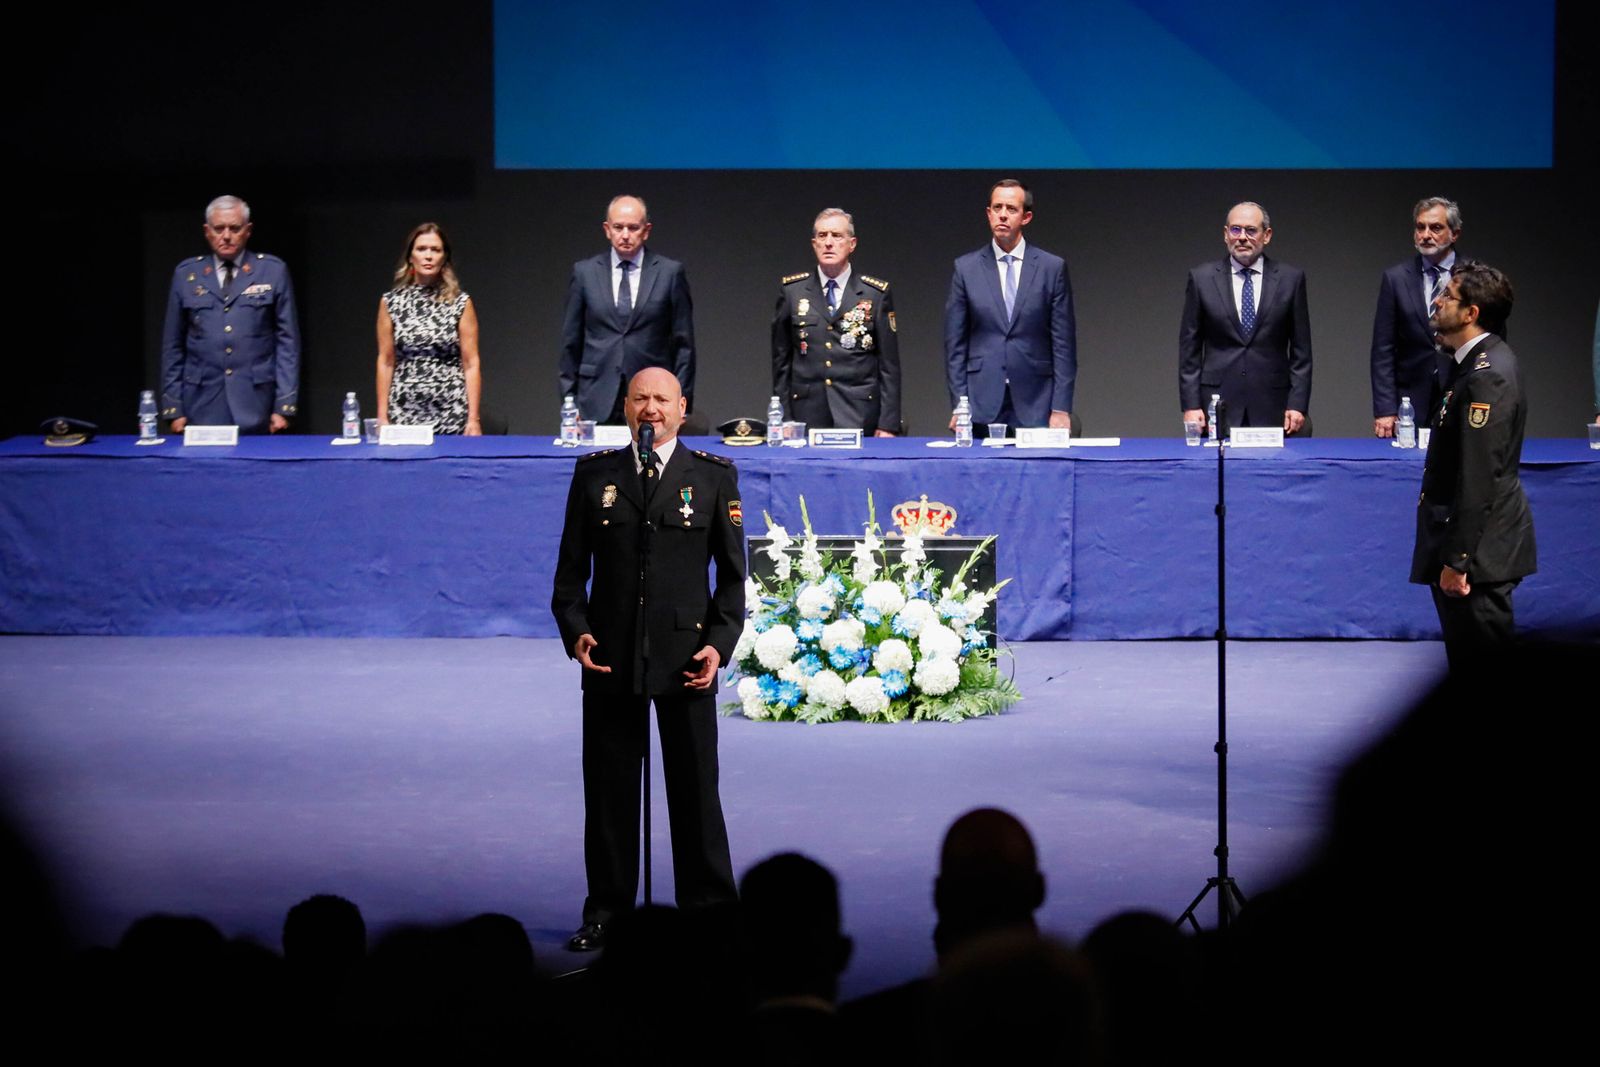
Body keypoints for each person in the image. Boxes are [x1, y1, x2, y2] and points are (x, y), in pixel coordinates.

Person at [550, 367, 744, 952]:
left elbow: (734, 580)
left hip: (687, 658)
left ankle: (709, 913)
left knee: (695, 792)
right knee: (608, 794)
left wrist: (718, 644)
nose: (650, 409)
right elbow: (568, 576)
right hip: (610, 656)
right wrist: (577, 632)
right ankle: (608, 909)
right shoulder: (595, 476)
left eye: (662, 399)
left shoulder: (711, 477)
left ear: (682, 409)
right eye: (640, 399)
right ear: (626, 407)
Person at [1410, 262, 1534, 673]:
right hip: (1472, 549)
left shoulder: (1488, 375)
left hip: (1479, 555)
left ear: (1471, 313)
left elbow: (1481, 474)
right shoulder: (1473, 363)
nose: (1438, 301)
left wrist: (1458, 559)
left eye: (1448, 295)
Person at [944, 179, 1076, 433]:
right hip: (981, 401)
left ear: (1026, 217)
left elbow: (1064, 345)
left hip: (1036, 401)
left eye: (1011, 209)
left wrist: (1061, 407)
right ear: (988, 213)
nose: (1002, 215)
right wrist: (959, 404)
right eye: (997, 207)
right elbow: (955, 346)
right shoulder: (966, 268)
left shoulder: (1051, 268)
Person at [161, 195, 300, 433]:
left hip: (256, 402)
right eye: (219, 228)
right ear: (207, 231)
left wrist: (284, 405)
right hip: (201, 402)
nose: (226, 236)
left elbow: (288, 343)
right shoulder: (187, 274)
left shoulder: (271, 271)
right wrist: (174, 407)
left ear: (248, 230)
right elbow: (172, 345)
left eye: (234, 228)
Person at [559, 196, 696, 424]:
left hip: (652, 397)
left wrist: (682, 402)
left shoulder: (669, 273)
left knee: (649, 459)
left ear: (646, 231)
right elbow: (570, 343)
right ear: (607, 229)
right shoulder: (585, 273)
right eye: (618, 227)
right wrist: (568, 400)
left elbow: (684, 347)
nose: (625, 235)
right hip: (594, 395)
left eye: (633, 228)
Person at [1179, 201, 1312, 433]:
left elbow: (1302, 352)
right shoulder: (1202, 279)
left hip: (1274, 405)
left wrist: (1297, 404)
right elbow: (1189, 350)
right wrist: (1190, 405)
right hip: (1216, 406)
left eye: (1251, 230)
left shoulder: (1291, 279)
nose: (1242, 237)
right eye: (1235, 229)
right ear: (1225, 234)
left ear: (1266, 235)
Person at [772, 209, 901, 435]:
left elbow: (888, 365)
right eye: (822, 236)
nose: (828, 243)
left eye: (836, 236)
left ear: (852, 244)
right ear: (814, 244)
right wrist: (784, 419)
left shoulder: (874, 294)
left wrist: (887, 424)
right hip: (806, 414)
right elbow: (781, 362)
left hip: (860, 412)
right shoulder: (792, 291)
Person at [375, 223, 482, 435]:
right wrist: (382, 416)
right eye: (422, 249)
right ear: (410, 256)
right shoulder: (391, 302)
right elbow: (386, 361)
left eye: (435, 250)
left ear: (444, 257)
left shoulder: (460, 302)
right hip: (404, 412)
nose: (428, 256)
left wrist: (473, 418)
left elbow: (471, 363)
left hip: (451, 411)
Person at [1371, 197, 1464, 438]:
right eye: (1420, 227)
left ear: (1454, 234)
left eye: (1435, 228)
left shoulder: (1473, 276)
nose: (1425, 234)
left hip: (1461, 391)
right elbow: (1383, 348)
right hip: (1410, 400)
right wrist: (1385, 408)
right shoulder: (1396, 278)